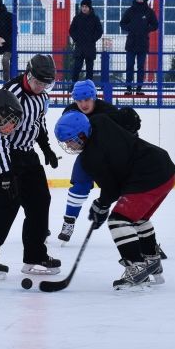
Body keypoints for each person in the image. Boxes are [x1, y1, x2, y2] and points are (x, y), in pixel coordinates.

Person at [54, 110, 175, 290]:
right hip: (165, 169)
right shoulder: (99, 120)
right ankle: (152, 261)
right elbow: (126, 116)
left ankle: (137, 267)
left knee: (118, 221)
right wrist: (102, 204)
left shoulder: (91, 157)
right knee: (138, 218)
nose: (70, 146)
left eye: (71, 141)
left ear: (82, 134)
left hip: (147, 177)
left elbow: (112, 189)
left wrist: (100, 206)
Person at [0, 54, 61, 278]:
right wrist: (5, 173)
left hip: (27, 156)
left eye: (46, 84)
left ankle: (35, 256)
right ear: (28, 75)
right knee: (3, 209)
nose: (41, 87)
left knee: (41, 203)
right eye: (37, 82)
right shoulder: (8, 95)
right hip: (5, 156)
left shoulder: (42, 97)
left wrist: (46, 147)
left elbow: (38, 122)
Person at [57, 79, 141, 243]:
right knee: (79, 185)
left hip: (111, 158)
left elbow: (126, 137)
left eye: (87, 100)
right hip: (89, 156)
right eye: (79, 100)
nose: (83, 104)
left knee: (128, 193)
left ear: (94, 97)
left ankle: (143, 235)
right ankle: (68, 222)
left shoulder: (109, 112)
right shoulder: (71, 112)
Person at [119, 0, 158, 96]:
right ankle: (128, 88)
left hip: (143, 43)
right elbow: (122, 23)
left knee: (141, 67)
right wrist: (130, 28)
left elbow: (155, 25)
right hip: (131, 43)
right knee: (129, 66)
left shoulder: (149, 11)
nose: (140, 0)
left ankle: (139, 89)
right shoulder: (130, 11)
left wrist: (146, 29)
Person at [68, 0, 103, 82]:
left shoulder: (95, 18)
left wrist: (92, 39)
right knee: (76, 68)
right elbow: (71, 30)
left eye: (86, 6)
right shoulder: (77, 18)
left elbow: (99, 31)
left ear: (89, 7)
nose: (84, 8)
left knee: (89, 70)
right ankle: (74, 85)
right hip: (79, 48)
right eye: (82, 6)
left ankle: (89, 87)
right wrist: (76, 39)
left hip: (90, 48)